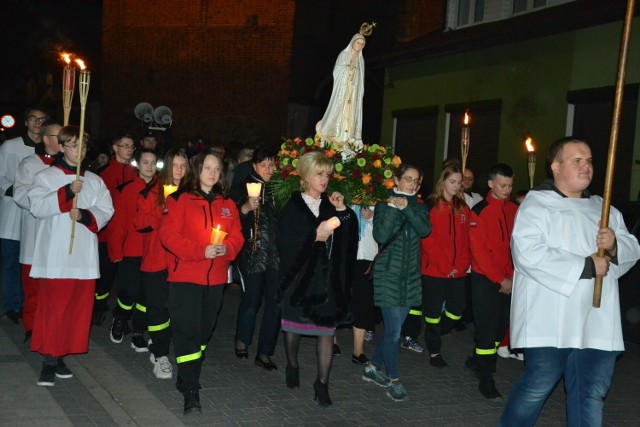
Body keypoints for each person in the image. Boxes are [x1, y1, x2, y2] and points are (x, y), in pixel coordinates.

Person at [498, 137, 640, 426]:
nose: (586, 166)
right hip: (552, 317)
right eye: (577, 160)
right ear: (555, 167)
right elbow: (528, 253)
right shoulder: (537, 205)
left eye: (588, 161)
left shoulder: (604, 209)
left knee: (590, 393)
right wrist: (587, 266)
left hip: (596, 319)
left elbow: (633, 248)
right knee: (537, 386)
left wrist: (614, 246)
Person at [159, 150, 244, 415]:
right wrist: (200, 250)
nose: (212, 173)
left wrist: (226, 249)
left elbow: (238, 236)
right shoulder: (178, 199)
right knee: (187, 333)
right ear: (197, 171)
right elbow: (168, 236)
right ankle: (191, 389)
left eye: (217, 169)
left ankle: (187, 372)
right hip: (185, 277)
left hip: (215, 279)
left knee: (204, 331)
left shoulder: (227, 203)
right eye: (207, 168)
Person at [28, 125, 113, 386]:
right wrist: (66, 192)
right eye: (74, 146)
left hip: (83, 257)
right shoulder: (47, 176)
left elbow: (106, 209)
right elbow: (37, 207)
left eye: (83, 146)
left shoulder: (96, 180)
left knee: (76, 311)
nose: (79, 151)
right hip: (55, 256)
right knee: (55, 310)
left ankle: (61, 354)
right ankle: (49, 362)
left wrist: (86, 215)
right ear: (62, 147)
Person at [277, 151, 357, 407]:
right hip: (299, 280)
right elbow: (286, 243)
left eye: (327, 174)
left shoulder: (329, 204)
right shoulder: (293, 205)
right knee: (293, 329)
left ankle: (322, 383)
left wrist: (343, 209)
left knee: (326, 331)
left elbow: (349, 233)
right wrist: (314, 236)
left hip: (324, 281)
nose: (325, 179)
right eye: (320, 174)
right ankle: (292, 365)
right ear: (306, 175)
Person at [362, 163, 431, 402]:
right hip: (388, 275)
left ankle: (372, 368)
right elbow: (380, 236)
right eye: (409, 179)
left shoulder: (419, 207)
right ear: (397, 179)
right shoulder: (383, 205)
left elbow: (425, 230)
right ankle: (393, 379)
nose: (412, 184)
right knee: (394, 332)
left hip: (410, 277)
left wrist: (407, 208)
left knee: (393, 330)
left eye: (417, 180)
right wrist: (394, 207)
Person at [134, 148, 189, 379]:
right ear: (166, 167)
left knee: (176, 310)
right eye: (175, 165)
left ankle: (162, 347)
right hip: (156, 261)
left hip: (182, 263)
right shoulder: (152, 192)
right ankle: (160, 354)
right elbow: (139, 223)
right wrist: (163, 208)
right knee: (157, 309)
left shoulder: (191, 193)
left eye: (183, 166)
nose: (179, 170)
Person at [464, 163, 518, 399]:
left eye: (510, 186)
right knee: (486, 329)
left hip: (510, 279)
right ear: (491, 184)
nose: (507, 189)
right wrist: (500, 280)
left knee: (500, 326)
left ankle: (477, 360)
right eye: (503, 185)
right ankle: (486, 377)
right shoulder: (479, 210)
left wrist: (513, 277)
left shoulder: (514, 210)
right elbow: (480, 252)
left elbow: (518, 246)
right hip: (486, 279)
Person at [230, 146, 281, 370]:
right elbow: (231, 216)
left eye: (271, 165)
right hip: (253, 251)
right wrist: (245, 208)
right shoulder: (243, 187)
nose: (268, 169)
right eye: (263, 165)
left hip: (276, 255)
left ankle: (265, 352)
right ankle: (242, 339)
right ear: (254, 166)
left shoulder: (281, 189)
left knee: (275, 304)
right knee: (251, 300)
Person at [13, 120, 62, 342]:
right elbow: (21, 193)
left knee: (54, 287)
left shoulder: (67, 165)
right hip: (36, 230)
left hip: (58, 233)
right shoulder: (29, 164)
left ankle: (52, 326)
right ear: (45, 139)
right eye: (58, 136)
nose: (62, 140)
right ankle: (32, 327)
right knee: (33, 286)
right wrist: (45, 202)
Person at [0, 108, 49, 324]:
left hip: (37, 216)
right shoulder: (10, 146)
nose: (38, 123)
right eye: (33, 119)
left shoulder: (48, 150)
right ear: (26, 122)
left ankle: (29, 304)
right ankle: (12, 305)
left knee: (30, 263)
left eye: (42, 120)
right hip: (12, 211)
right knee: (11, 261)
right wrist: (15, 190)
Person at [420, 161, 471, 368]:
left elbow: (467, 239)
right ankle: (434, 351)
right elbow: (427, 239)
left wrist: (461, 265)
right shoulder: (431, 205)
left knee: (457, 310)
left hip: (457, 272)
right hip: (434, 271)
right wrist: (444, 266)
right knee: (432, 313)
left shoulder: (463, 207)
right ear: (443, 181)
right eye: (452, 181)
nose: (456, 186)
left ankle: (437, 333)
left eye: (459, 182)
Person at [108, 148, 158, 351]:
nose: (149, 166)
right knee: (128, 292)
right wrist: (115, 251)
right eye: (145, 162)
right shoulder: (126, 190)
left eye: (153, 163)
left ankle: (138, 330)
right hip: (131, 250)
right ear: (138, 165)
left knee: (146, 296)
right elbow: (118, 223)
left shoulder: (163, 189)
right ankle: (119, 319)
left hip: (153, 251)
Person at [92, 134, 138, 325]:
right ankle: (97, 308)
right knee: (105, 277)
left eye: (132, 146)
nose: (129, 149)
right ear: (114, 147)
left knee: (127, 280)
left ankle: (123, 316)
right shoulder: (103, 174)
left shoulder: (136, 173)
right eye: (125, 145)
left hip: (130, 236)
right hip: (107, 235)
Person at [315, 32, 366, 144]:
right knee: (339, 110)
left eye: (362, 44)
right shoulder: (343, 55)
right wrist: (348, 68)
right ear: (352, 43)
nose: (359, 46)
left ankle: (347, 138)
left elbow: (361, 78)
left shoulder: (361, 60)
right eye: (358, 43)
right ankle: (334, 134)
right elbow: (337, 71)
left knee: (351, 113)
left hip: (353, 91)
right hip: (342, 90)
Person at [350, 204, 378, 365]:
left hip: (367, 258)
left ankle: (358, 351)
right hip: (344, 256)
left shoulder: (377, 203)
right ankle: (332, 342)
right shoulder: (341, 197)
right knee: (338, 299)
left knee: (362, 303)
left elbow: (384, 232)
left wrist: (372, 217)